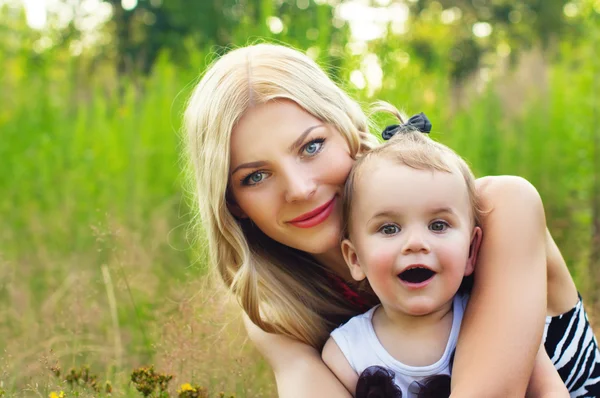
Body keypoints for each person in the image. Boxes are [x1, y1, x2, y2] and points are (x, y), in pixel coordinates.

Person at [182, 42, 590, 396]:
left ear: (347, 129)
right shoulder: (278, 310)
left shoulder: (497, 210)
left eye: (311, 146)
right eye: (255, 176)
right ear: (232, 202)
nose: (300, 188)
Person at [321, 113, 588, 397]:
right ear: (355, 258)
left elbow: (551, 393)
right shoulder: (345, 354)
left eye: (438, 225)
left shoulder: (496, 322)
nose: (415, 243)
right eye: (389, 228)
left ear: (472, 251)